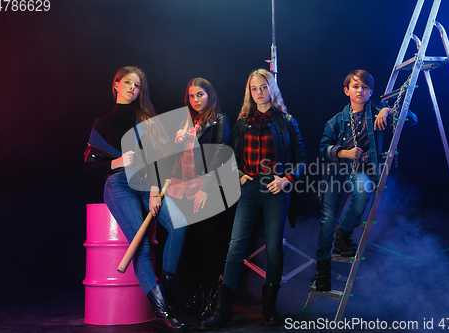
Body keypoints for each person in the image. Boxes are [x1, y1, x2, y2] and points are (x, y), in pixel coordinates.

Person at [199, 69, 307, 330]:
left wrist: (285, 180)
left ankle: (269, 309)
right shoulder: (242, 122)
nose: (259, 93)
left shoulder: (287, 121)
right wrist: (238, 176)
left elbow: (301, 160)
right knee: (235, 247)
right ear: (249, 91)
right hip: (249, 189)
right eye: (254, 88)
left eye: (263, 87)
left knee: (273, 249)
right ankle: (223, 310)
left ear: (272, 89)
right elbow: (233, 157)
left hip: (276, 188)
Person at [84, 66, 187, 331]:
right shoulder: (102, 122)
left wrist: (154, 187)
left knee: (180, 223)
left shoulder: (145, 119)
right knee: (139, 245)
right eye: (128, 82)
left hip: (146, 182)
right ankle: (164, 309)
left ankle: (165, 288)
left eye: (138, 84)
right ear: (116, 84)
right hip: (118, 184)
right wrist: (117, 161)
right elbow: (89, 168)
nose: (132, 87)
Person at [313, 69, 417, 292]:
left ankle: (343, 237)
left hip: (361, 170)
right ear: (347, 90)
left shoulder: (379, 112)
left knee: (362, 192)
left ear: (371, 91)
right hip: (336, 171)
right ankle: (322, 272)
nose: (360, 90)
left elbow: (412, 118)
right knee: (327, 219)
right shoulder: (336, 121)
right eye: (356, 86)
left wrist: (389, 109)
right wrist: (344, 152)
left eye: (365, 87)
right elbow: (324, 147)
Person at [167, 77, 232, 322]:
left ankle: (209, 300)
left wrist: (206, 187)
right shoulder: (187, 123)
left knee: (210, 241)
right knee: (194, 244)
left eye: (200, 95)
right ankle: (195, 298)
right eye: (192, 96)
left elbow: (218, 153)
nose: (196, 100)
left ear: (210, 95)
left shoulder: (219, 118)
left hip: (210, 188)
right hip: (186, 189)